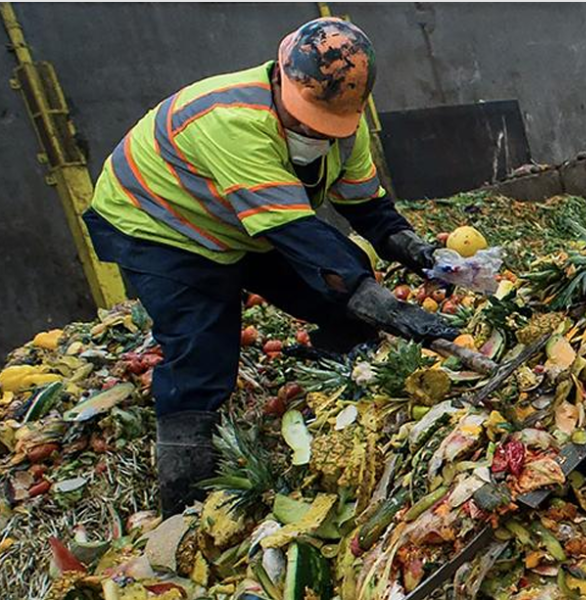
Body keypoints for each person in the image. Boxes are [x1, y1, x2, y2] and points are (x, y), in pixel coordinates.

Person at [83, 17, 457, 516]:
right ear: (279, 79)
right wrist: (380, 301)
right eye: (303, 120)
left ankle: (342, 383)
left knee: (339, 291)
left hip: (246, 219)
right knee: (203, 345)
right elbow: (294, 234)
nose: (311, 131)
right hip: (162, 224)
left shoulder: (346, 126)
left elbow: (366, 206)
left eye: (323, 125)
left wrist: (416, 250)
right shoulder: (232, 120)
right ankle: (184, 496)